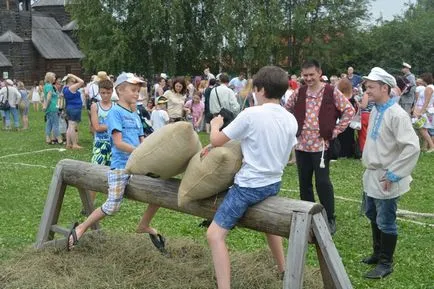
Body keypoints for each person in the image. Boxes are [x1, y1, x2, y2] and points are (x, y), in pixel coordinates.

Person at [206, 66, 298, 289]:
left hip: (248, 187)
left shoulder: (251, 114)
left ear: (261, 89)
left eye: (255, 89)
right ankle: (283, 268)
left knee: (214, 235)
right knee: (270, 225)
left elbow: (218, 140)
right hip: (273, 184)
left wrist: (215, 126)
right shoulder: (290, 118)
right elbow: (288, 156)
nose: (253, 93)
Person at [68, 72, 165, 253]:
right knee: (112, 206)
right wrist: (140, 152)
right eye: (133, 90)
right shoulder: (115, 112)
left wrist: (150, 152)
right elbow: (118, 143)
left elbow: (142, 139)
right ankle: (81, 227)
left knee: (161, 186)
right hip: (122, 166)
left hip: (138, 165)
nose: (137, 94)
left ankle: (143, 225)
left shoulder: (135, 114)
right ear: (120, 90)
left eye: (138, 90)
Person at [361, 67, 420, 279]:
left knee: (385, 220)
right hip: (372, 174)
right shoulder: (376, 109)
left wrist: (394, 173)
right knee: (372, 214)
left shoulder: (397, 115)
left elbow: (412, 147)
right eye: (366, 87)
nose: (367, 91)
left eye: (371, 87)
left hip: (387, 176)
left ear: (385, 88)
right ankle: (377, 253)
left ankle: (386, 262)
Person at [285, 60, 355, 235]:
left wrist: (336, 130)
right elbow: (286, 109)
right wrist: (292, 127)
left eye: (311, 75)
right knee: (304, 183)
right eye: (305, 75)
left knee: (323, 182)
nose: (308, 78)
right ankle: (308, 217)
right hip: (302, 145)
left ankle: (329, 217)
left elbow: (349, 110)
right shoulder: (299, 92)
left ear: (319, 73)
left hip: (321, 145)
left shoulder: (331, 92)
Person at [88, 79, 115, 206]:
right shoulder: (95, 106)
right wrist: (112, 125)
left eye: (108, 93)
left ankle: (107, 204)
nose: (105, 96)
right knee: (94, 173)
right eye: (103, 93)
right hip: (100, 144)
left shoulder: (115, 107)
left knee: (111, 174)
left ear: (112, 92)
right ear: (99, 92)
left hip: (113, 144)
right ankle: (88, 203)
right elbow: (96, 127)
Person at [412, 73, 434, 152]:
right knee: (424, 129)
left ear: (424, 79)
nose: (419, 79)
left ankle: (431, 146)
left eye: (421, 78)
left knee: (422, 128)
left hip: (426, 111)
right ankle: (426, 146)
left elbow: (426, 101)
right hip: (428, 110)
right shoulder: (430, 87)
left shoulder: (428, 87)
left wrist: (421, 112)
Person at [62, 74, 84, 149]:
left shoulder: (65, 88)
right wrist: (73, 75)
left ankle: (68, 144)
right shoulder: (72, 88)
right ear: (70, 81)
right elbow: (81, 82)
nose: (75, 82)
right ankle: (74, 144)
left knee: (69, 126)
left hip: (69, 107)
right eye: (74, 81)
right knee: (72, 126)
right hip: (75, 108)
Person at [337, 78, 356, 158]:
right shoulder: (352, 97)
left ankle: (341, 152)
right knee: (350, 136)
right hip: (350, 120)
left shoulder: (340, 97)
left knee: (341, 136)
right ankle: (349, 152)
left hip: (342, 118)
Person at [43, 72, 63, 144]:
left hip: (51, 108)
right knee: (55, 123)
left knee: (49, 123)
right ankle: (59, 139)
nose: (55, 78)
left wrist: (45, 106)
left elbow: (45, 97)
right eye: (54, 77)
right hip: (52, 107)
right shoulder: (49, 86)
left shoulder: (47, 85)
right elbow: (48, 97)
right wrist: (46, 106)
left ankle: (48, 138)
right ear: (50, 78)